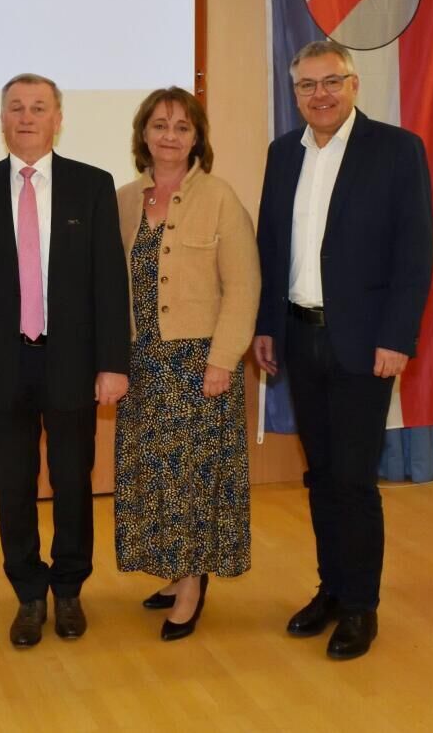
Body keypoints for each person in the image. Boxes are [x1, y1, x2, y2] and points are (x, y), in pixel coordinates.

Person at [253, 40, 433, 660]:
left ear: (354, 85)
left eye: (331, 82)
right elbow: (271, 245)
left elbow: (415, 252)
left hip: (364, 344)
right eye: (307, 85)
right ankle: (331, 589)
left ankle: (360, 606)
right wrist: (266, 325)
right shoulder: (283, 153)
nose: (320, 95)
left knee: (354, 480)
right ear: (295, 93)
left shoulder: (397, 150)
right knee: (321, 475)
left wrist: (397, 337)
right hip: (299, 336)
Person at [0, 73, 129, 648]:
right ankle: (28, 594)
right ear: (2, 120)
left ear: (58, 119)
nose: (27, 117)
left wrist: (113, 362)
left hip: (72, 364)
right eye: (16, 108)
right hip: (1, 368)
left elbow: (109, 282)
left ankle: (69, 589)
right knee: (13, 486)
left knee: (73, 482)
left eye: (39, 107)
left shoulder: (91, 186)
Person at [114, 87, 260, 641]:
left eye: (182, 127)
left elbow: (243, 286)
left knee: (195, 480)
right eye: (159, 125)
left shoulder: (220, 197)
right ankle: (176, 572)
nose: (170, 136)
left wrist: (223, 361)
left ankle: (194, 584)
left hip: (199, 366)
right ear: (143, 135)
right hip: (143, 362)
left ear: (197, 137)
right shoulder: (125, 199)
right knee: (155, 477)